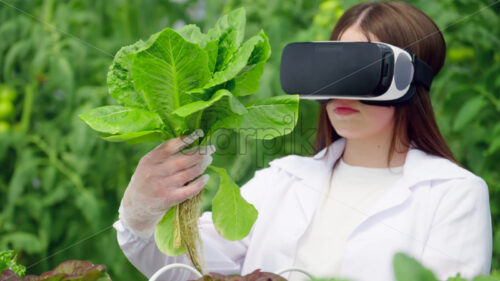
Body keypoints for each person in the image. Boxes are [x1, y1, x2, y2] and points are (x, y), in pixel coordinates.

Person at [113, 1, 493, 281]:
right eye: (333, 69)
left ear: (410, 81)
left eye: (358, 71)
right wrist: (140, 212)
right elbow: (181, 268)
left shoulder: (453, 194)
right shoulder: (281, 180)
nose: (340, 93)